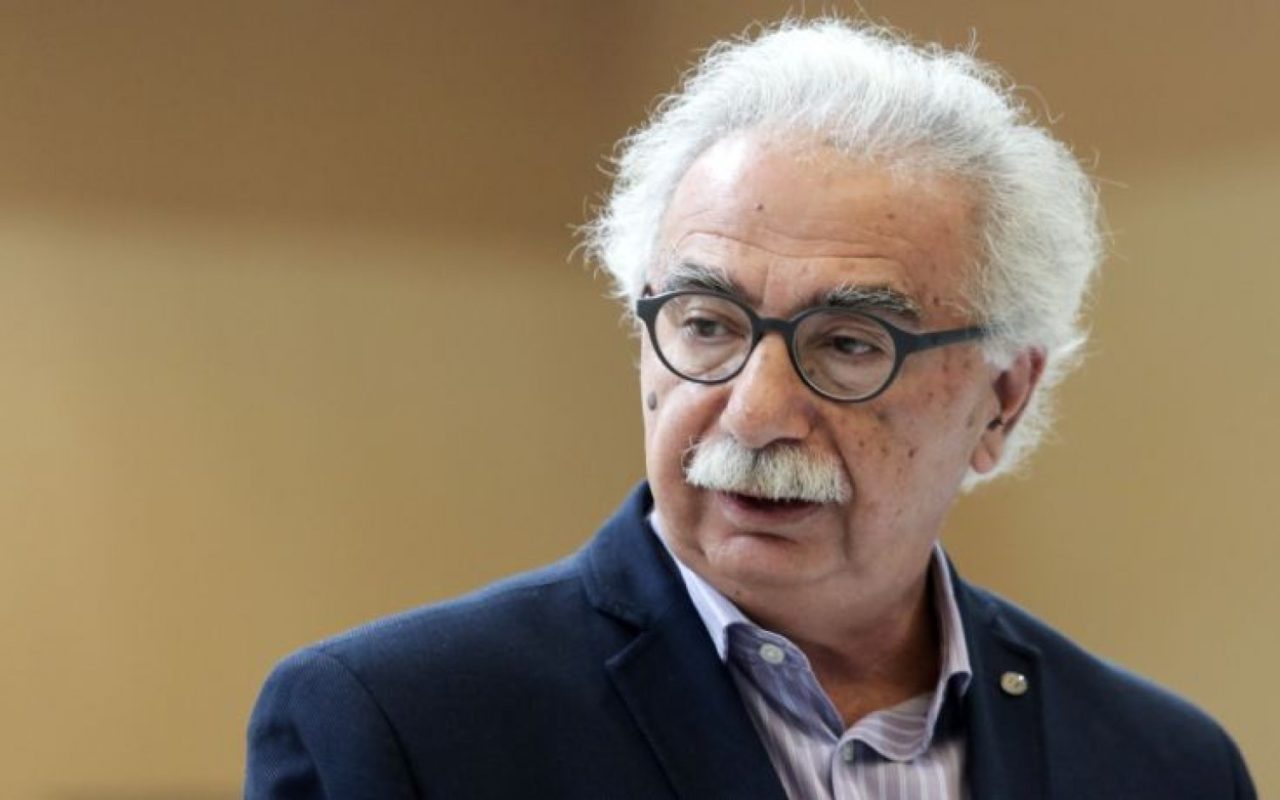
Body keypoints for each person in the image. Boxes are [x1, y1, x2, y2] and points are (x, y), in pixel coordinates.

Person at [245, 19, 1255, 799]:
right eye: (706, 324)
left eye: (849, 344)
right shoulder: (404, 726)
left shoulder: (1163, 765)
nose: (755, 411)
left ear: (1001, 399)